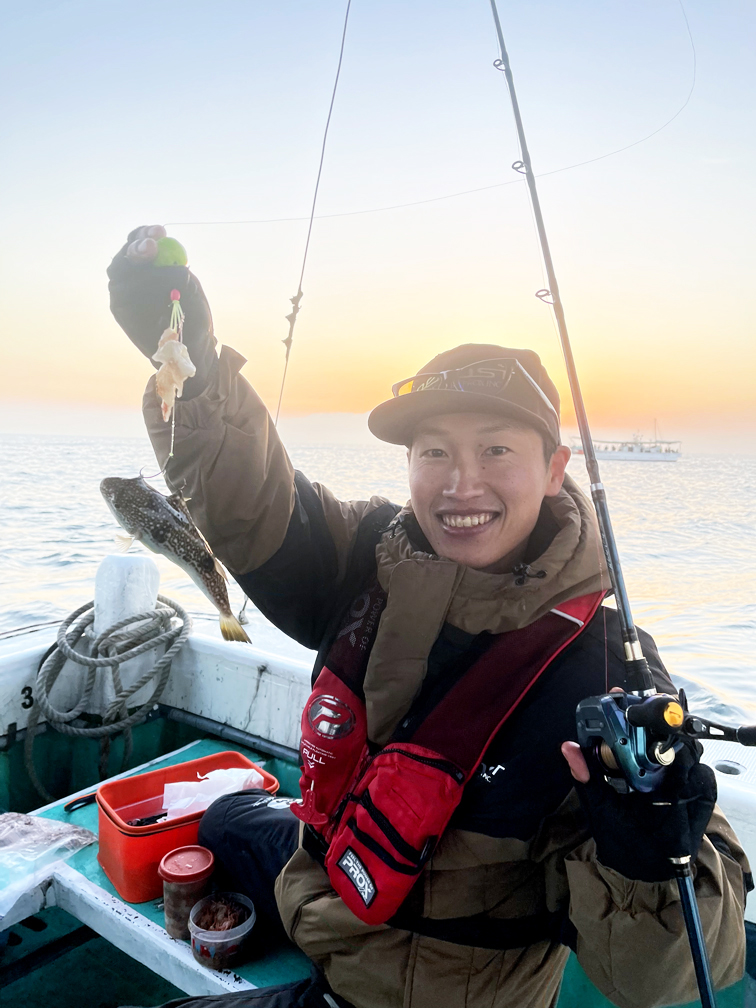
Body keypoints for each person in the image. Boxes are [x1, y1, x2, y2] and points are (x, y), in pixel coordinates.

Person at [110, 227, 749, 1008]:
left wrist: (651, 849)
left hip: (409, 992)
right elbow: (256, 502)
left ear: (555, 469)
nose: (460, 484)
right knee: (227, 818)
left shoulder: (606, 671)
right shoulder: (371, 554)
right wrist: (194, 370)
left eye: (496, 451)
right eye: (434, 451)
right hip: (337, 886)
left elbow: (665, 973)